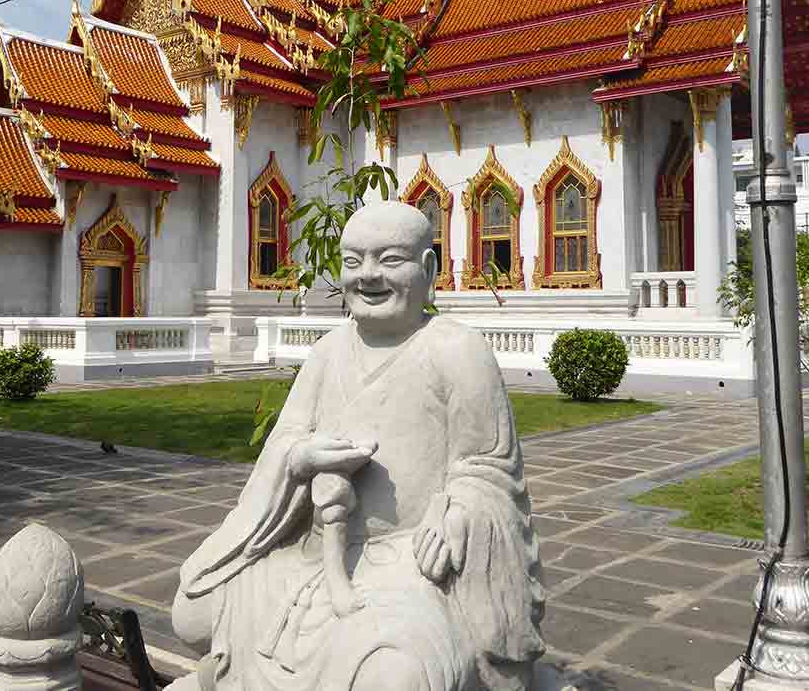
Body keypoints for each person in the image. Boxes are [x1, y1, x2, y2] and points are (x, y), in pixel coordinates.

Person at [169, 202, 546, 691]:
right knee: (192, 612)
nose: (368, 276)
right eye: (352, 262)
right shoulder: (328, 352)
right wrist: (300, 458)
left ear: (428, 269)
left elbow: (487, 468)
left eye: (389, 261)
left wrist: (458, 514)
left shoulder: (455, 350)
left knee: (396, 677)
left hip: (402, 562)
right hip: (310, 554)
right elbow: (287, 440)